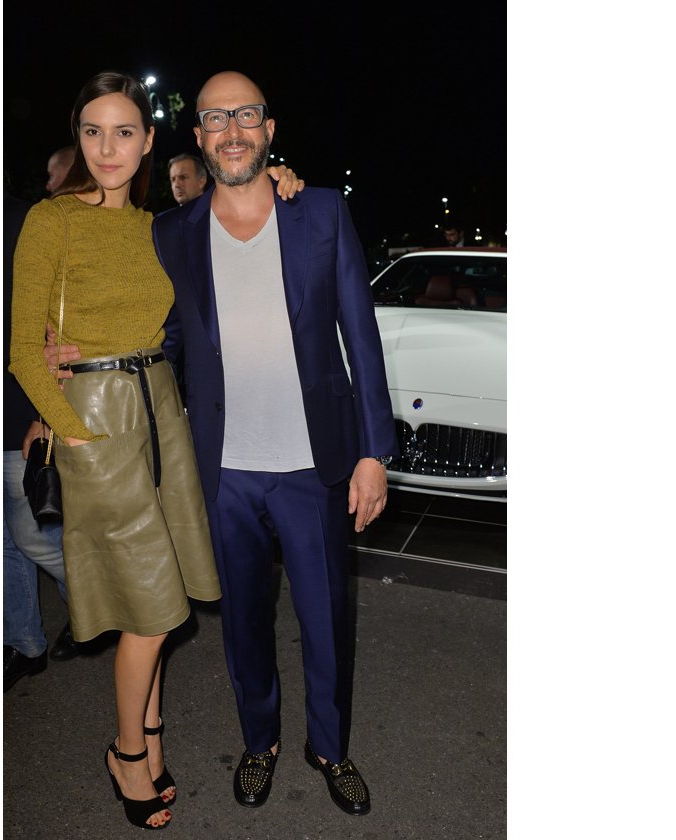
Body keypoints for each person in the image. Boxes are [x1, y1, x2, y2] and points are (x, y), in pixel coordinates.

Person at [11, 70, 303, 831]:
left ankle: (153, 733)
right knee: (151, 609)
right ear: (79, 139)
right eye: (93, 132)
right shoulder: (51, 219)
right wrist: (69, 426)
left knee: (162, 598)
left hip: (163, 413)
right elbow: (21, 348)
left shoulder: (160, 227)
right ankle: (127, 752)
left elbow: (233, 222)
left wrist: (280, 178)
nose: (107, 148)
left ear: (148, 141)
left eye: (124, 132)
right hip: (99, 422)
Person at [152, 71, 398, 818]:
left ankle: (330, 746)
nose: (231, 130)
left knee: (327, 622)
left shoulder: (319, 212)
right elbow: (163, 340)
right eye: (215, 118)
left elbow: (361, 334)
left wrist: (373, 452)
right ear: (198, 136)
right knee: (244, 626)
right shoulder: (171, 233)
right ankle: (259, 741)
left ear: (268, 129)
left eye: (246, 115)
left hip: (313, 466)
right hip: (223, 472)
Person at [4, 184, 75, 692]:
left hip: (16, 412)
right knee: (2, 544)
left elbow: (56, 318)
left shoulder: (27, 221)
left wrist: (41, 411)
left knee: (32, 535)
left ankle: (98, 605)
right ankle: (24, 642)